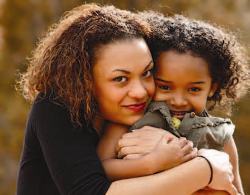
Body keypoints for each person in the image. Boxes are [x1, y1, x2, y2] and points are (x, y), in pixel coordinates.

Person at [16, 4, 237, 195]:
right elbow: (88, 191)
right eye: (121, 78)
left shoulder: (151, 116)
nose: (140, 91)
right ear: (84, 81)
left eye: (147, 72)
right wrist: (205, 168)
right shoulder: (55, 107)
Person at [97, 13, 250, 194]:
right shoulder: (129, 122)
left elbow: (236, 189)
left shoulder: (220, 134)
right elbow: (101, 169)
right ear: (150, 77)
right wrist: (154, 162)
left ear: (212, 87)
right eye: (165, 87)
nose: (178, 101)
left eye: (193, 89)